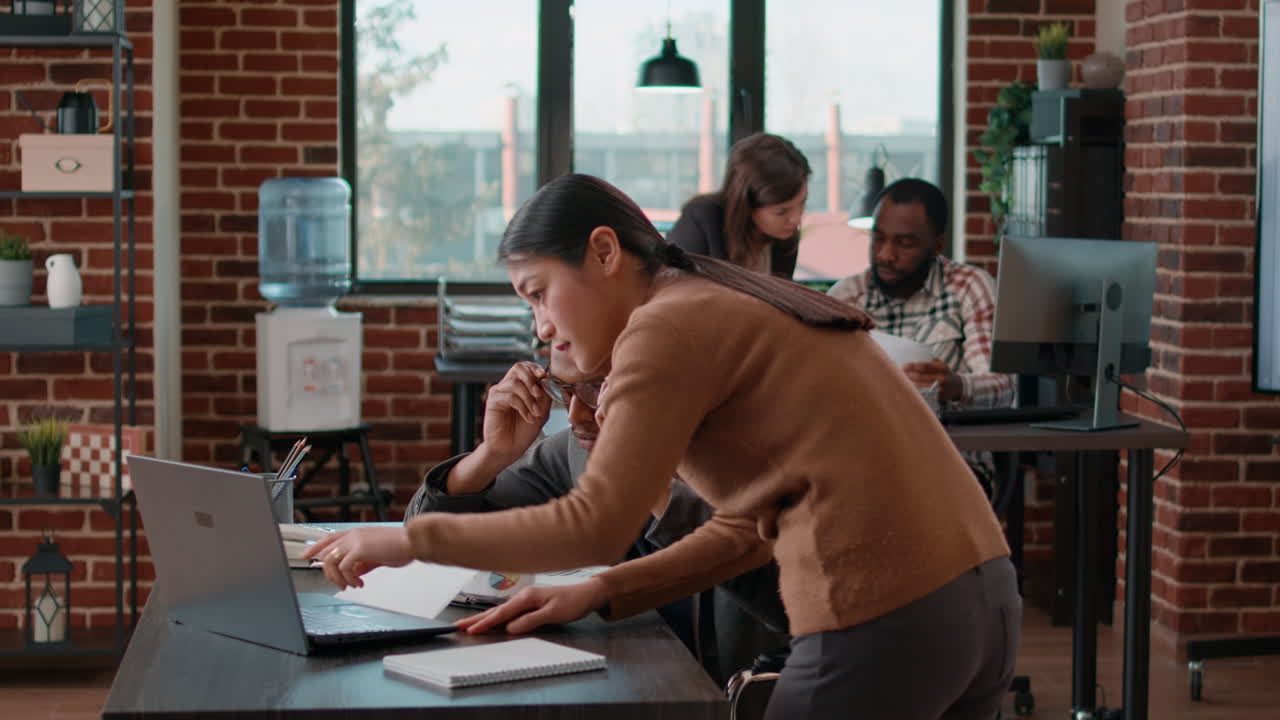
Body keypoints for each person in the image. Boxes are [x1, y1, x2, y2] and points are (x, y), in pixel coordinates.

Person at [306, 174, 1020, 719]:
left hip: (884, 613)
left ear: (605, 251)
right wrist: (601, 590)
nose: (541, 327)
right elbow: (748, 529)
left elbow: (597, 522)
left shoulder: (666, 324)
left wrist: (407, 542)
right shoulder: (720, 300)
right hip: (982, 600)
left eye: (538, 292)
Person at [404, 356, 789, 681]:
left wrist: (648, 477)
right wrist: (490, 456)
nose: (575, 415)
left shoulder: (755, 457)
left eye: (594, 388)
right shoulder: (578, 451)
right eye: (565, 390)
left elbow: (785, 602)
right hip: (629, 680)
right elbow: (436, 544)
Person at [827, 177, 1015, 491]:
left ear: (937, 245)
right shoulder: (847, 297)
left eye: (904, 243)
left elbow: (1005, 385)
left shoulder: (969, 288)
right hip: (863, 463)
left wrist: (955, 387)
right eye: (878, 239)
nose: (886, 254)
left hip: (955, 466)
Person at [667, 132, 809, 279]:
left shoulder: (784, 237)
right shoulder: (703, 219)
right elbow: (673, 291)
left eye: (802, 203)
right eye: (781, 212)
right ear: (746, 205)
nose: (796, 219)